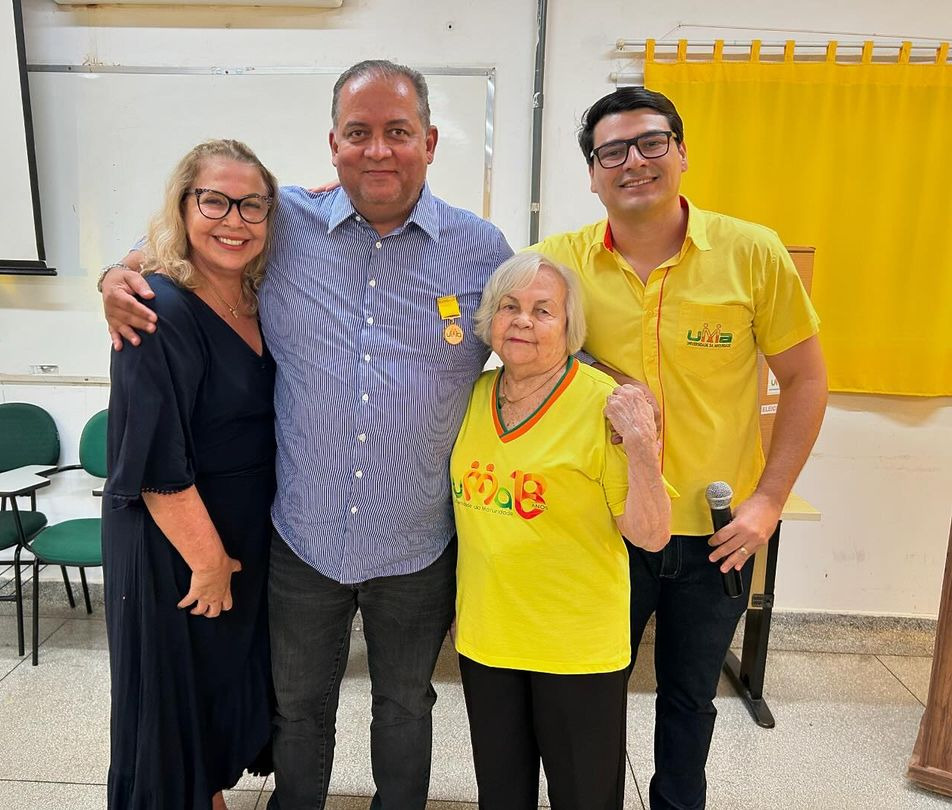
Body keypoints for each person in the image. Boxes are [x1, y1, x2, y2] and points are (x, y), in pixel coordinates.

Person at [100, 60, 513, 810]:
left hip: (417, 540)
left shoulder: (482, 249)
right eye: (359, 133)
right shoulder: (281, 219)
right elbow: (177, 240)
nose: (378, 150)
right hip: (301, 537)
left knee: (405, 707)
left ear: (430, 140)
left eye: (397, 132)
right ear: (333, 143)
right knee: (299, 711)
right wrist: (112, 277)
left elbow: (533, 343)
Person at [532, 87, 828, 810]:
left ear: (682, 152)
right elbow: (514, 345)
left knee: (690, 701)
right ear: (593, 173)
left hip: (718, 534)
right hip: (606, 529)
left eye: (651, 142)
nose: (633, 161)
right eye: (612, 151)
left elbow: (806, 378)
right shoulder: (558, 263)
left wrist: (769, 501)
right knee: (591, 697)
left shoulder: (750, 252)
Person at [451, 252, 672, 810]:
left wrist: (644, 446)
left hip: (575, 648)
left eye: (543, 310)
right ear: (491, 321)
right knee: (501, 795)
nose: (523, 321)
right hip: (488, 639)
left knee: (585, 798)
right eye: (510, 307)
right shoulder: (473, 398)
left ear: (570, 327)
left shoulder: (602, 404)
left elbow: (651, 535)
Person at [102, 139, 279, 810]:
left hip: (238, 537)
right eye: (214, 201)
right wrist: (208, 562)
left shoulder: (258, 295)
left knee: (210, 698)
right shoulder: (157, 307)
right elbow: (153, 461)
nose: (234, 220)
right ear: (183, 206)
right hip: (177, 546)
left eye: (252, 205)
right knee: (173, 708)